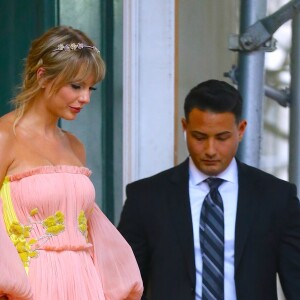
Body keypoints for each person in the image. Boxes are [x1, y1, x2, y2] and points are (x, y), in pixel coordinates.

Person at [118, 79, 300, 300]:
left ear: (241, 130)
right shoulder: (146, 198)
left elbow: (295, 280)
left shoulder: (276, 197)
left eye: (222, 138)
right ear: (185, 128)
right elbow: (125, 284)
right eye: (199, 137)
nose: (210, 150)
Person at [0, 25, 143, 300]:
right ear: (42, 76)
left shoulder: (75, 146)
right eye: (76, 86)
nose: (85, 98)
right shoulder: (5, 137)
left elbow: (90, 231)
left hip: (84, 283)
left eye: (91, 88)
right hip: (28, 287)